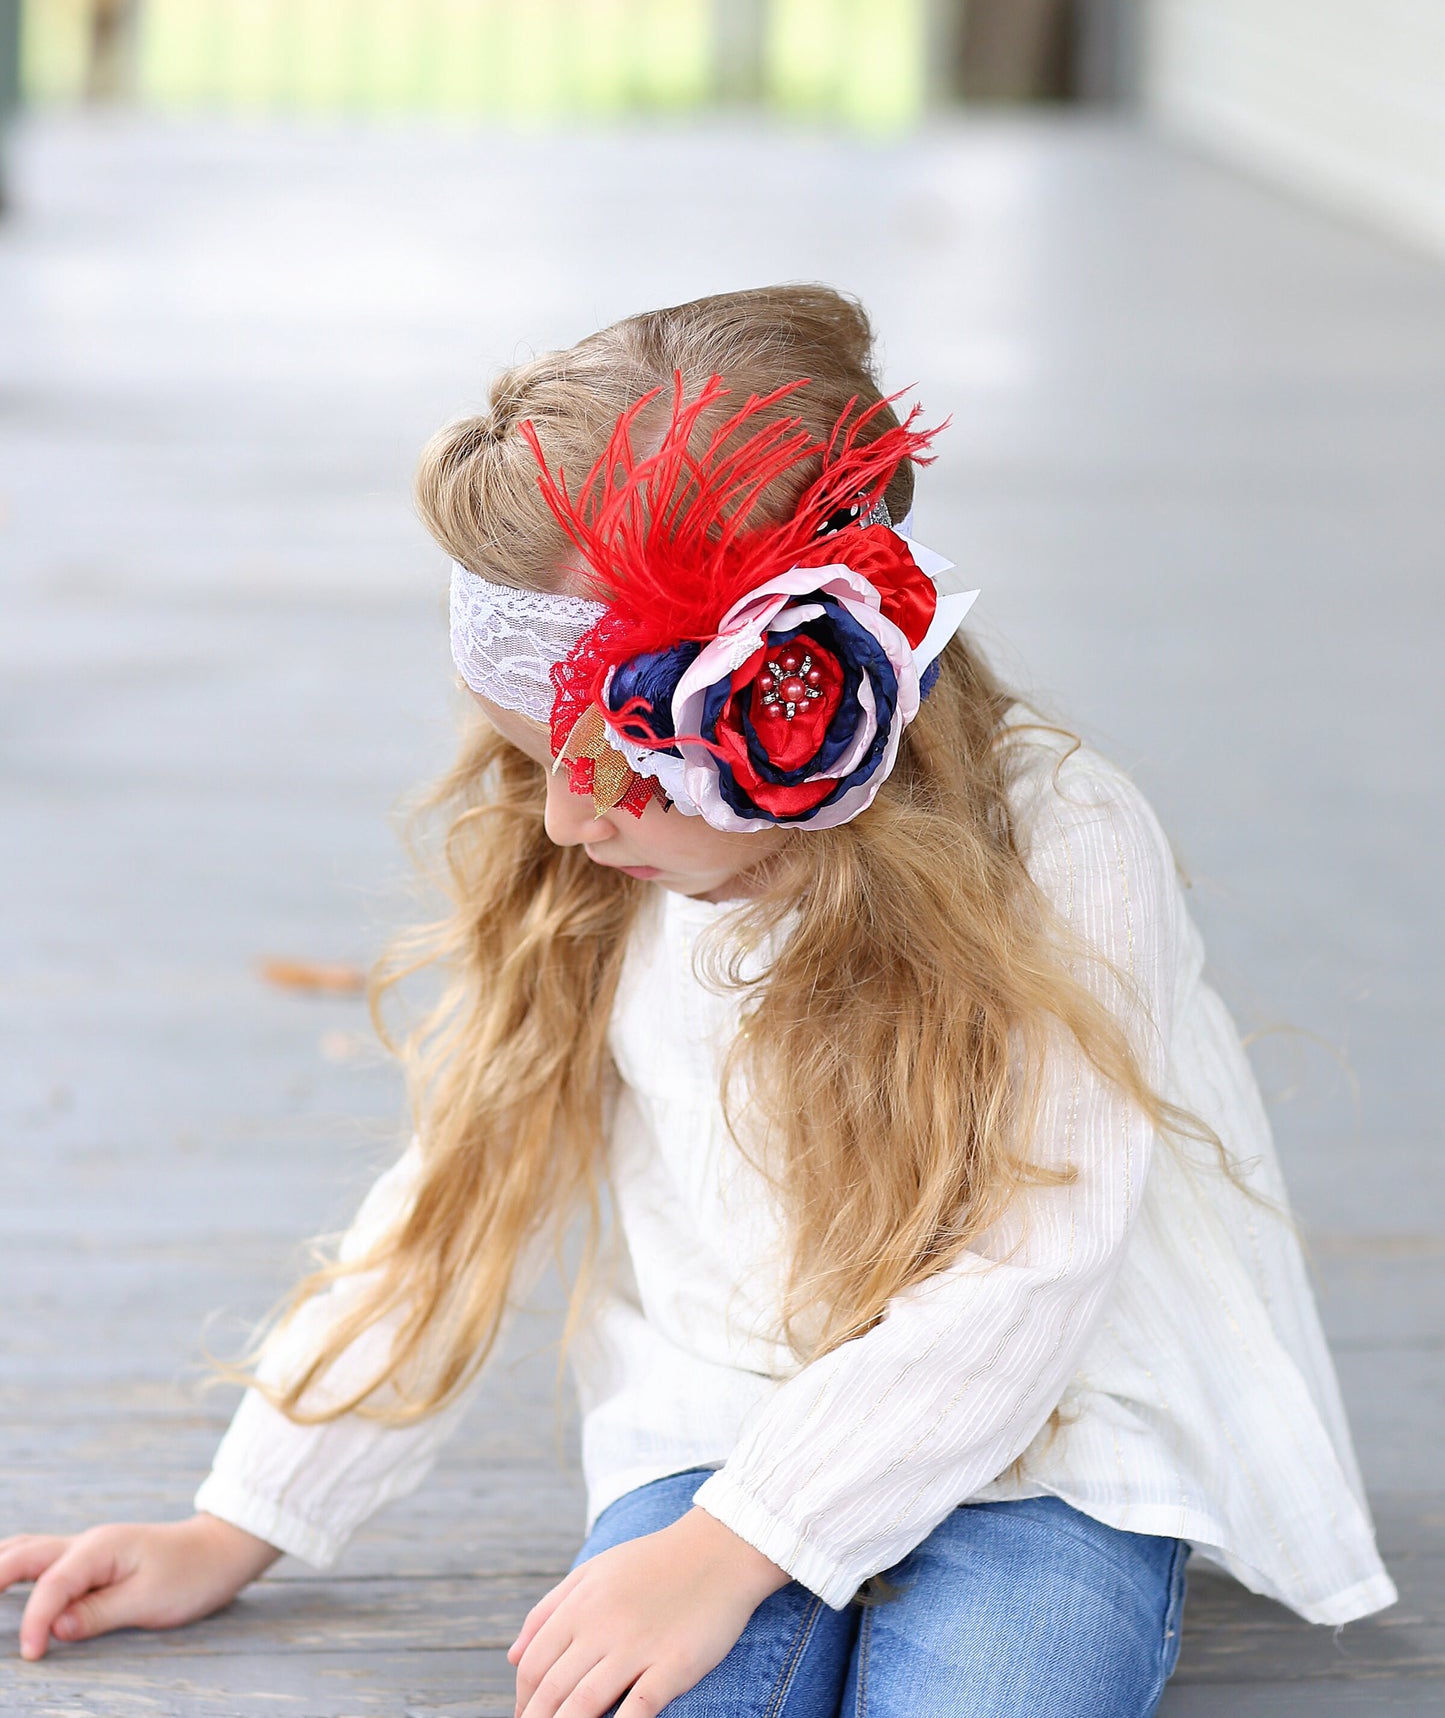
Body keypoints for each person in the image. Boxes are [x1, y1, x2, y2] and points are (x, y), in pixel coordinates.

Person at [0, 287, 1395, 1716]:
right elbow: (455, 1191)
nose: (562, 820)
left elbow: (1031, 1275)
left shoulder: (1067, 847)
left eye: (613, 761)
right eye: (535, 756)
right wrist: (239, 1518)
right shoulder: (602, 875)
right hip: (713, 1402)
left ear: (787, 689)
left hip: (1042, 1432)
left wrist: (735, 1549)